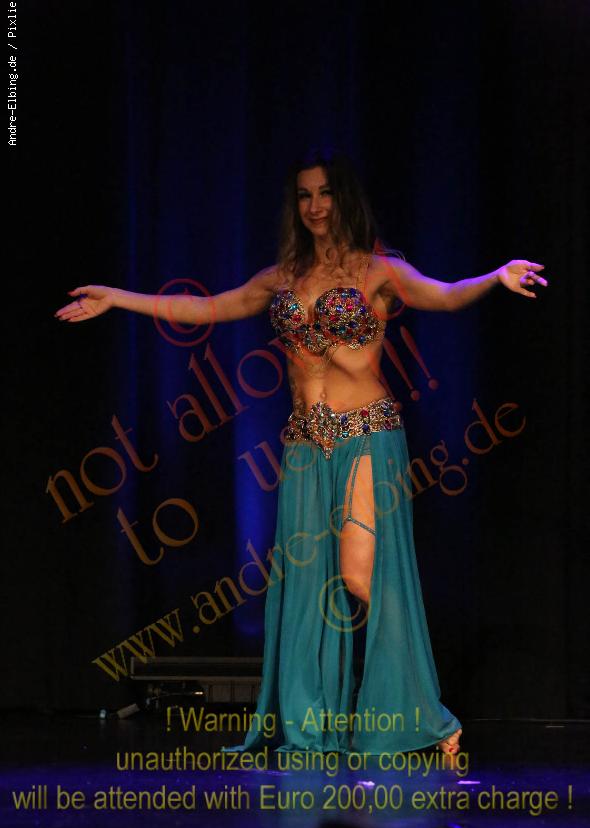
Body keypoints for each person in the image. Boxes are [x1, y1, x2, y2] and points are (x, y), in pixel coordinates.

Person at [54, 147, 548, 758]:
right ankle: (316, 723)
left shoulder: (378, 271)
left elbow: (443, 295)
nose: (315, 206)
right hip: (306, 446)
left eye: (325, 193)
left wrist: (495, 277)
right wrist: (118, 296)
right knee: (309, 589)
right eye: (305, 195)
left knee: (358, 576)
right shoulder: (282, 277)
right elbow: (206, 307)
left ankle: (424, 710)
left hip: (367, 434)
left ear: (344, 199)